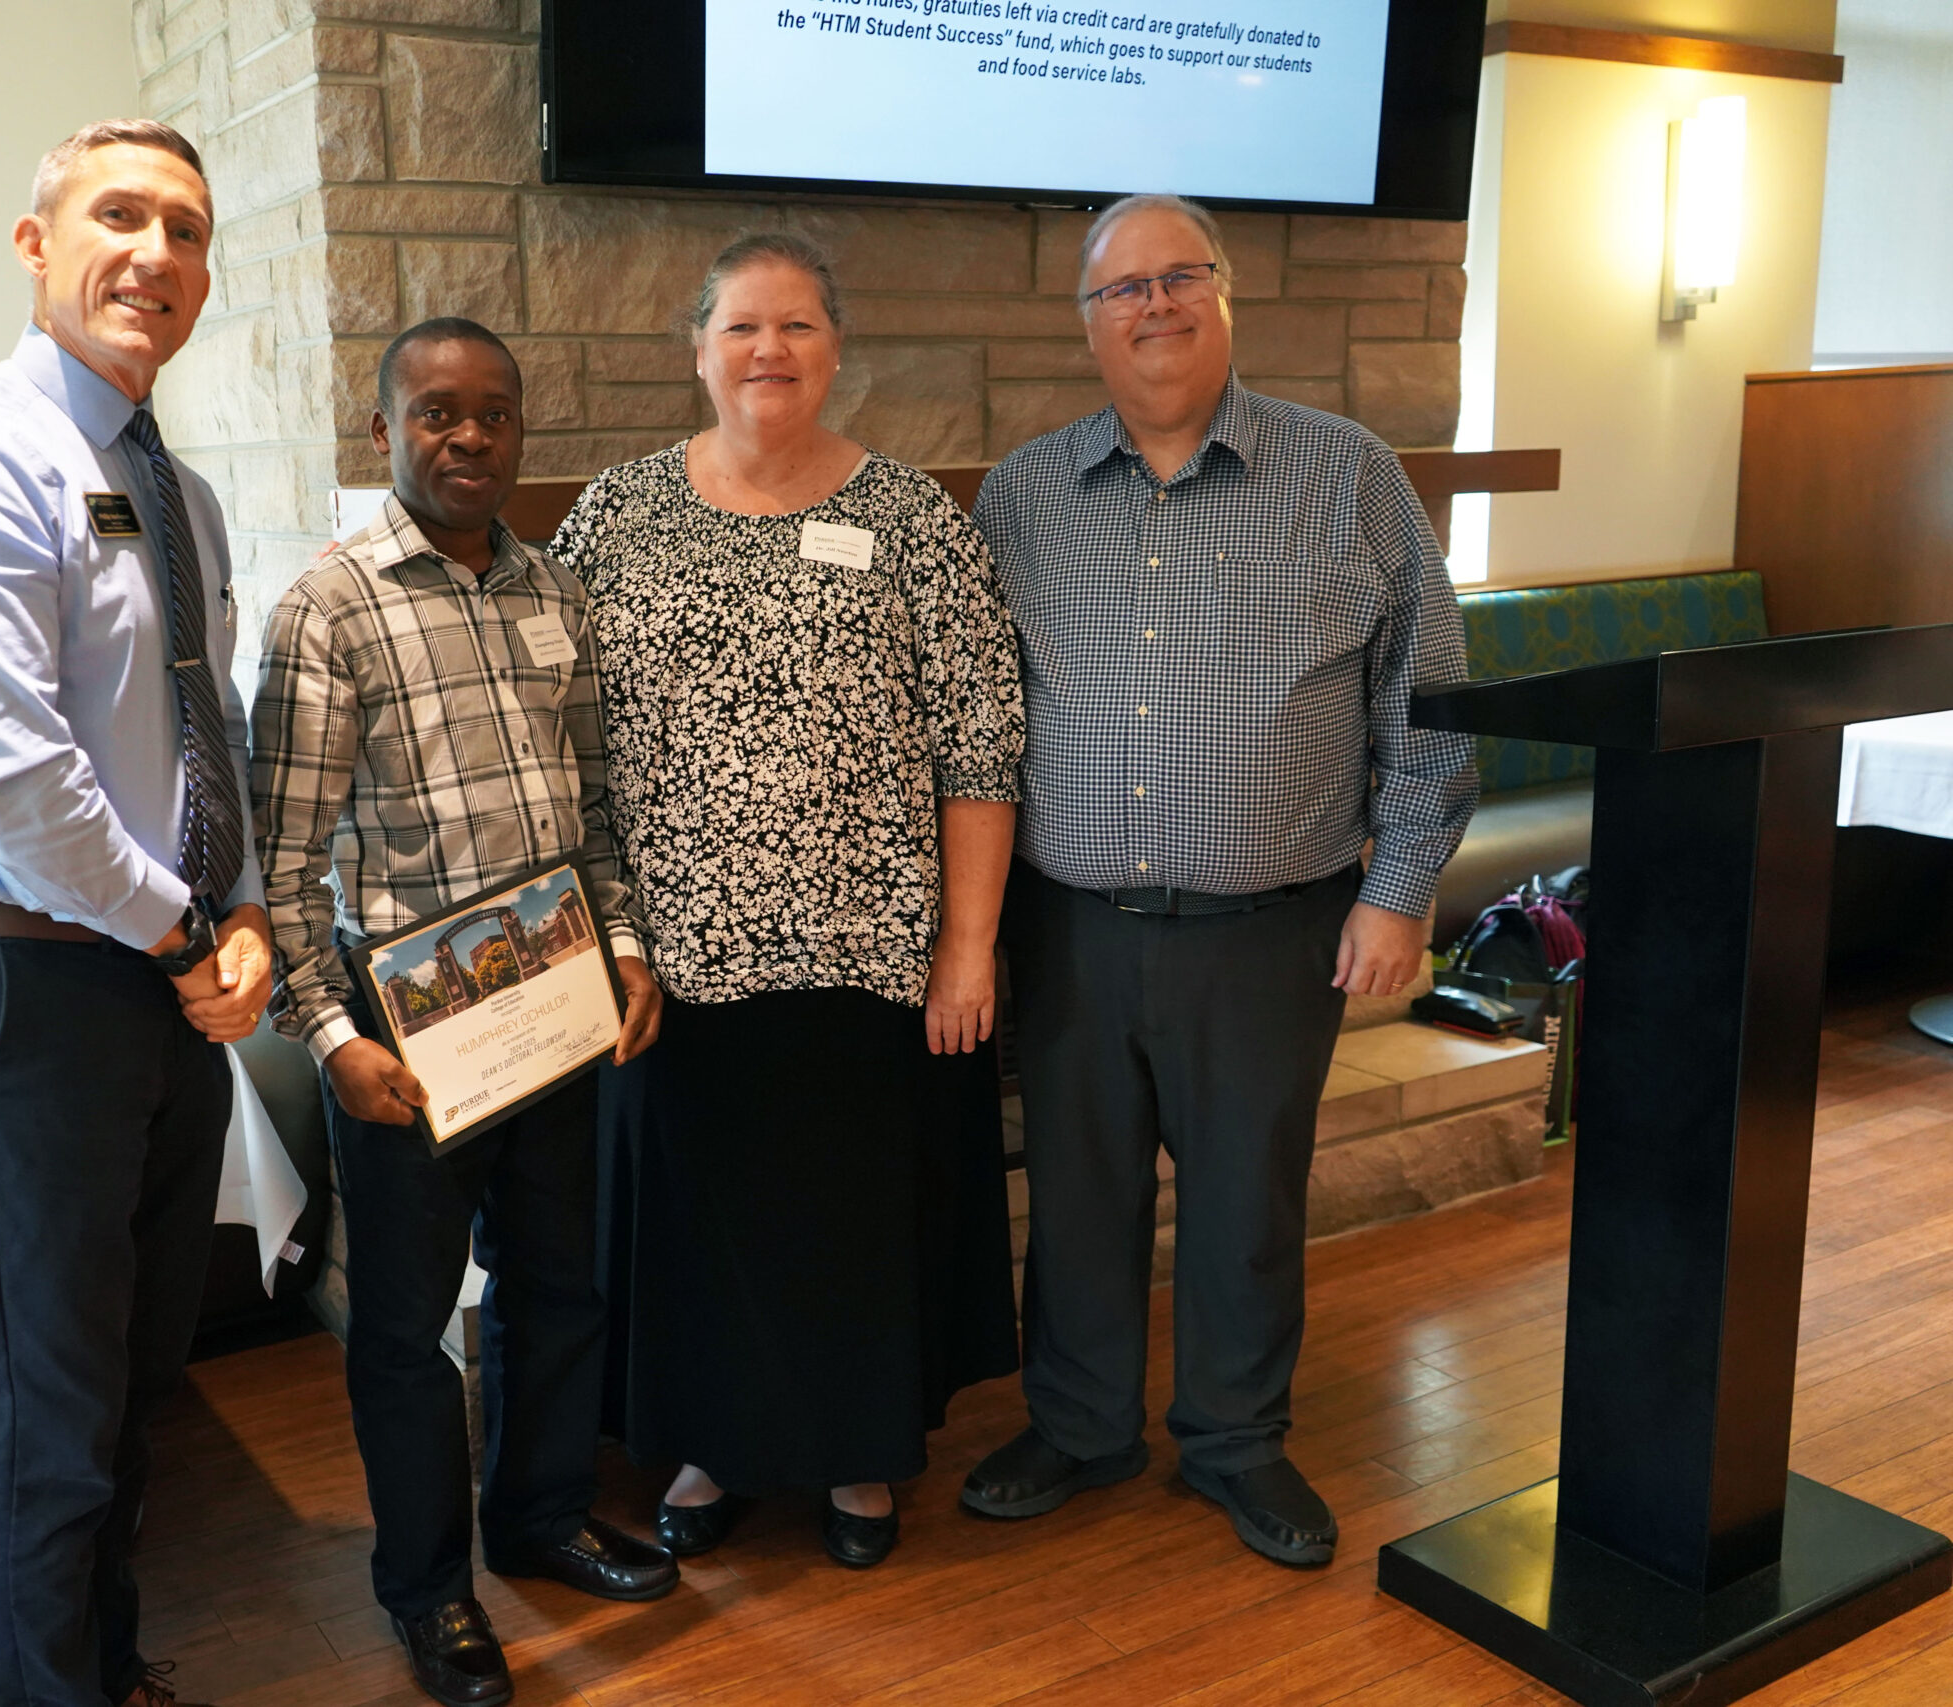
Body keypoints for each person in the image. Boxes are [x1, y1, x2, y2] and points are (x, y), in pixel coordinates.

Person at [960, 194, 1478, 1566]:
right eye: (1122, 289)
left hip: (1275, 928)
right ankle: (1079, 1426)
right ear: (1087, 327)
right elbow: (976, 719)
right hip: (1069, 927)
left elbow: (1432, 698)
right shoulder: (1020, 495)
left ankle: (1237, 1442)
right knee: (1077, 1194)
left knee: (1249, 1196)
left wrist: (1400, 889)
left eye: (1181, 276)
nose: (1156, 306)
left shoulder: (1349, 473)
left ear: (1226, 296)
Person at [0, 121, 272, 1707]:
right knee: (48, 1412)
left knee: (129, 1391)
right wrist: (189, 936)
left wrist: (233, 923)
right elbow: (18, 783)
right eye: (119, 215)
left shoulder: (177, 489)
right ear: (35, 248)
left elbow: (201, 730)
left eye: (185, 228)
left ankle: (107, 1673)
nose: (156, 254)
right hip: (27, 999)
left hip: (163, 999)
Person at [553, 234, 1024, 1572]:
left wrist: (969, 948)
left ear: (835, 351)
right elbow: (562, 726)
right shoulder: (618, 512)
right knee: (702, 1225)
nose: (772, 349)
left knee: (847, 1223)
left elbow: (980, 740)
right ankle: (708, 1445)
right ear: (697, 350)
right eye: (745, 326)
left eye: (799, 326)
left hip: (867, 955)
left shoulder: (913, 517)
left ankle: (859, 1457)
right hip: (669, 959)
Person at [250, 317, 677, 1707]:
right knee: (407, 1330)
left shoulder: (554, 592)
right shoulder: (331, 608)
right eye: (438, 413)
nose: (471, 437)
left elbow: (597, 812)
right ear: (384, 432)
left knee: (559, 1290)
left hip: (553, 1004)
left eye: (493, 413)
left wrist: (624, 951)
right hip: (406, 1035)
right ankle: (430, 1595)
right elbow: (285, 860)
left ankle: (541, 1524)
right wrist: (333, 1039)